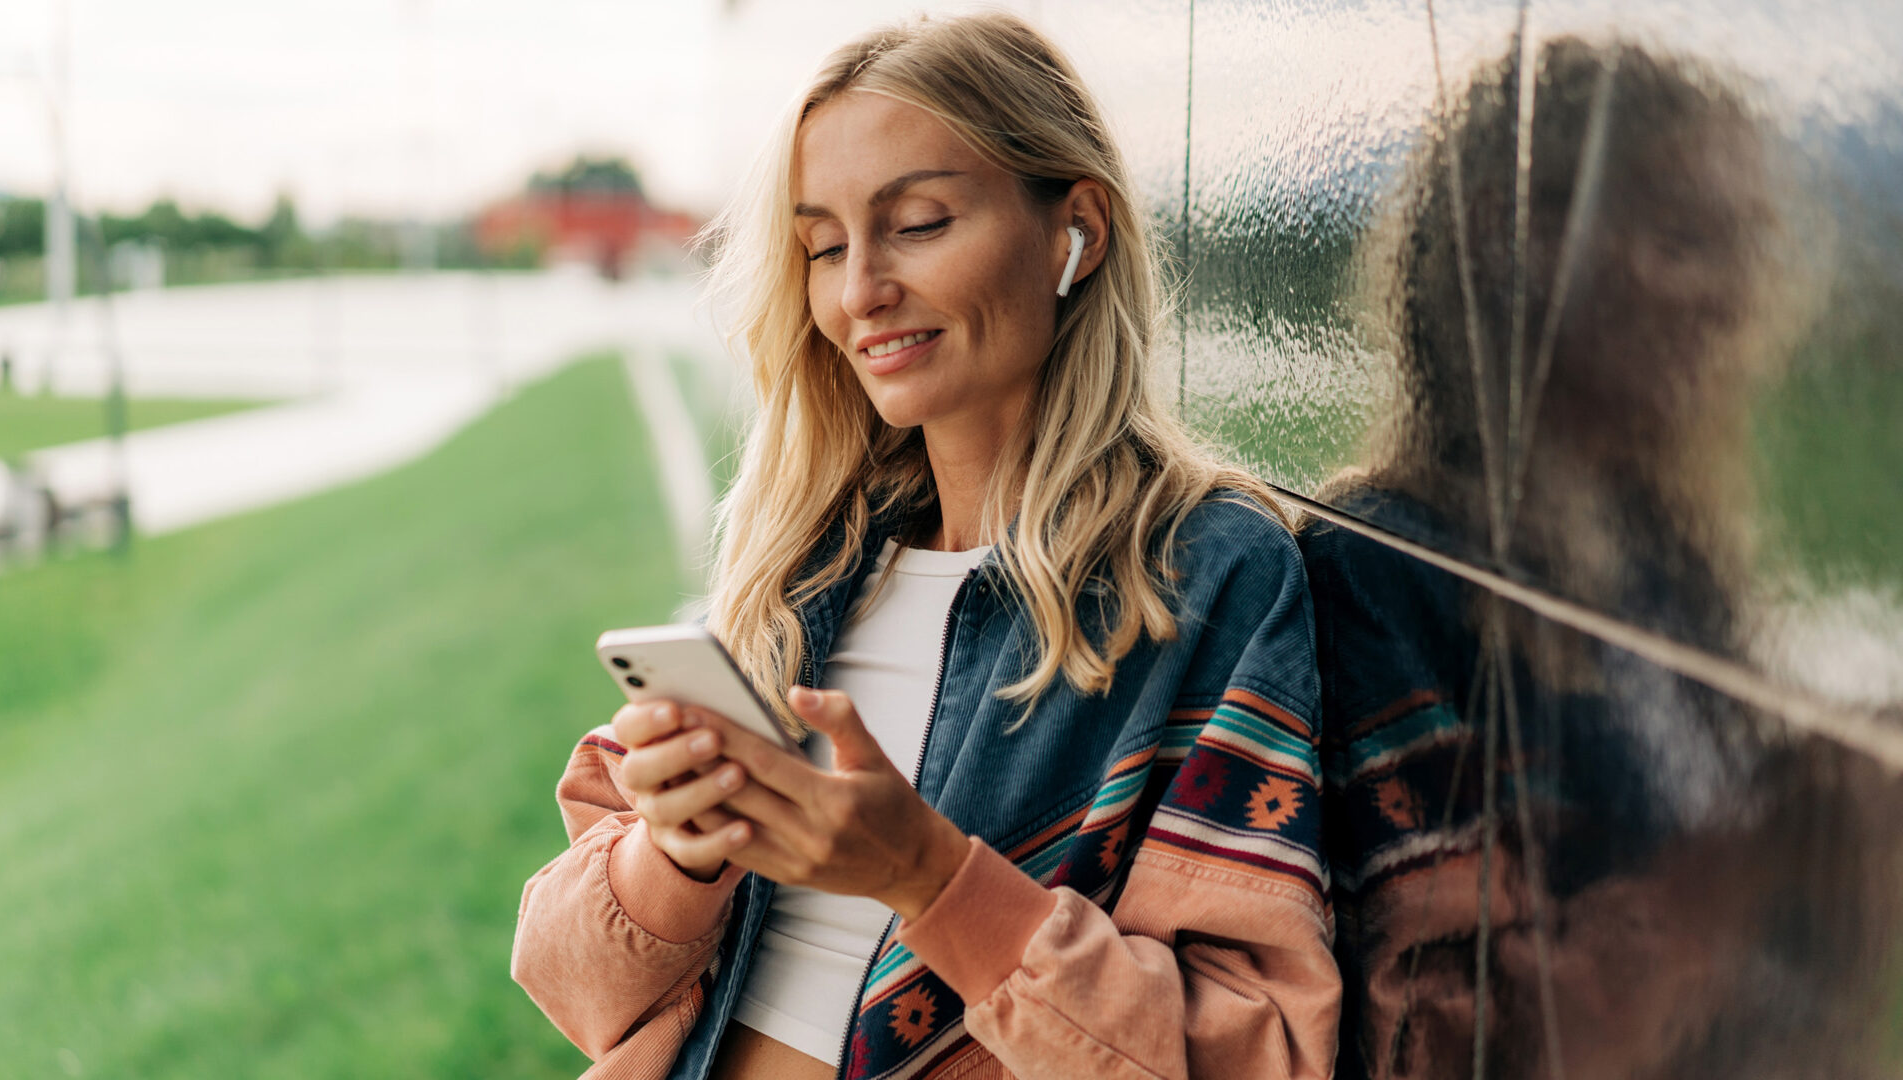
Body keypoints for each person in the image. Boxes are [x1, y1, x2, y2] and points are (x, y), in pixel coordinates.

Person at [511, 13, 1341, 1080]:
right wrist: (676, 848)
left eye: (919, 223)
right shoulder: (805, 568)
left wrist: (928, 875)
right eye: (822, 247)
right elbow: (571, 983)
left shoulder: (1202, 576)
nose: (859, 292)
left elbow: (1254, 1050)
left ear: (1073, 230)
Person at [1303, 36, 1900, 1079]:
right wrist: (1753, 863)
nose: (1733, 296)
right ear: (1510, 242)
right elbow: (1442, 1039)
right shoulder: (1386, 571)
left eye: (1746, 245)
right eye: (1681, 237)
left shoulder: (1664, 564)